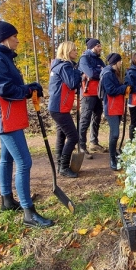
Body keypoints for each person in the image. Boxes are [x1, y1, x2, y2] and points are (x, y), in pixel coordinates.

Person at [0, 19, 53, 227]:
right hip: (5, 116)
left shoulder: (1, 57)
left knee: (7, 159)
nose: (17, 41)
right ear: (5, 39)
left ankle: (6, 200)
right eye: (14, 37)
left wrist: (29, 86)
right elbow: (3, 88)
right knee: (24, 162)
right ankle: (28, 212)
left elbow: (10, 84)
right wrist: (26, 90)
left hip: (9, 115)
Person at [48, 41, 83, 178]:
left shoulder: (59, 66)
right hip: (59, 107)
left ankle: (60, 165)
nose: (76, 52)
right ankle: (63, 167)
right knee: (73, 136)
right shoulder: (64, 67)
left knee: (61, 135)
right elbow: (73, 83)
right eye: (74, 50)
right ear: (67, 52)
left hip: (59, 106)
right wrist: (79, 73)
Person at [78, 38, 107, 157]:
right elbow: (90, 73)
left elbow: (106, 72)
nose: (100, 48)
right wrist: (98, 71)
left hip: (98, 93)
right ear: (92, 47)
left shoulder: (99, 59)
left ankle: (93, 143)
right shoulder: (84, 58)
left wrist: (98, 72)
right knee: (85, 120)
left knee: (96, 118)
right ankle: (81, 146)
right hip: (87, 93)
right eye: (98, 46)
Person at [99, 53, 128, 170]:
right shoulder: (107, 74)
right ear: (115, 62)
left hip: (117, 106)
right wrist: (124, 88)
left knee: (114, 133)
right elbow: (111, 90)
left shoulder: (114, 73)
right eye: (120, 61)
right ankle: (112, 158)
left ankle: (114, 154)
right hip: (110, 107)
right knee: (115, 134)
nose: (121, 63)